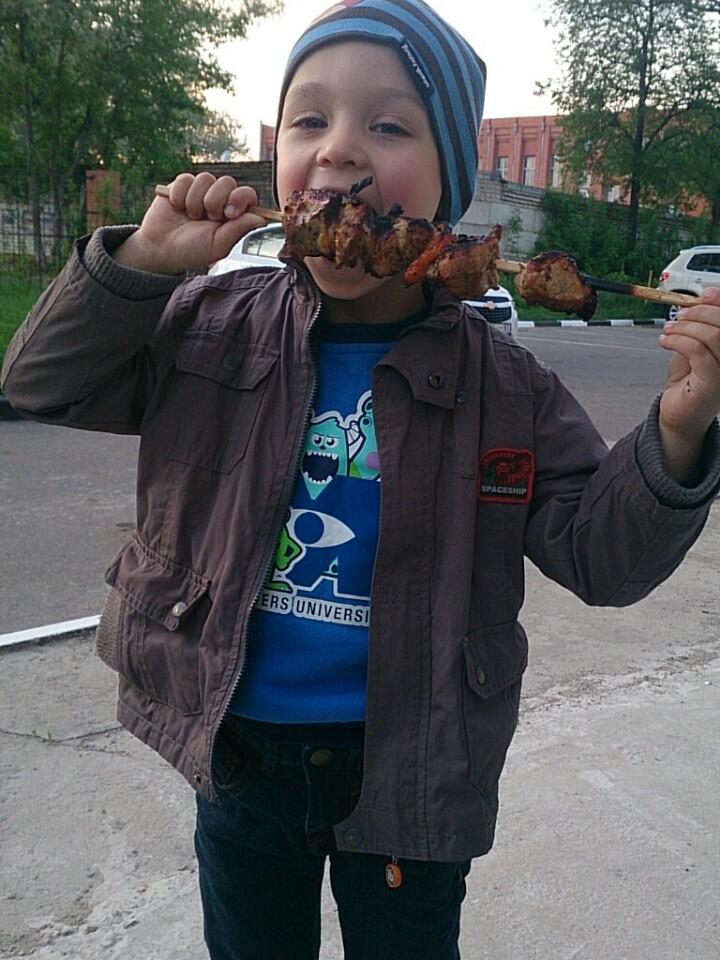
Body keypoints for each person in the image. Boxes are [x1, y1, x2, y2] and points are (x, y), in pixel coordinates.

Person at [3, 1, 720, 957]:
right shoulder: (209, 325)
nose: (339, 148)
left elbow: (603, 558)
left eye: (387, 124)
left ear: (450, 186)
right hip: (239, 751)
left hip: (412, 766)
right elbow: (41, 383)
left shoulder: (506, 388)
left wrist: (680, 429)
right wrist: (140, 263)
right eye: (309, 119)